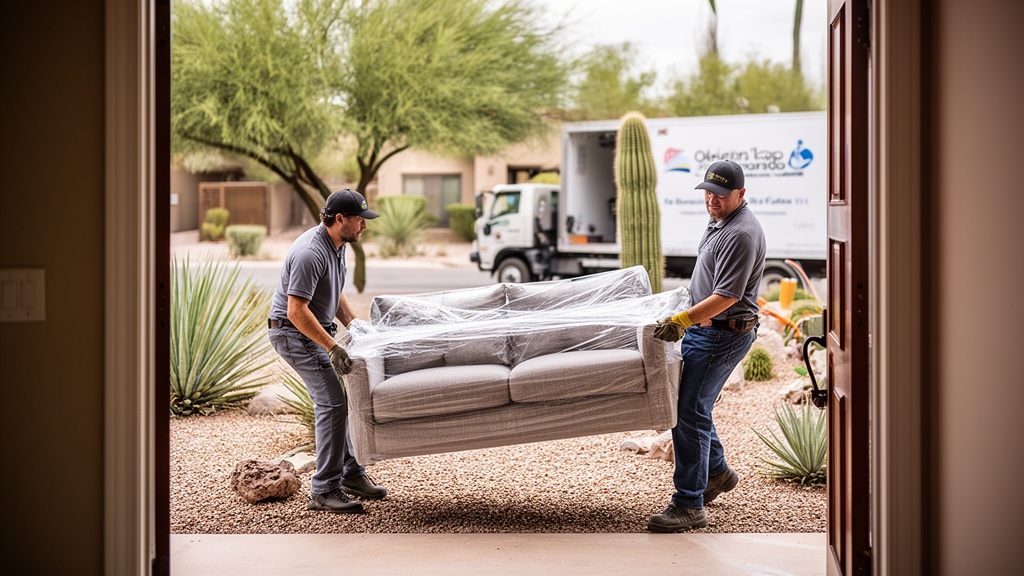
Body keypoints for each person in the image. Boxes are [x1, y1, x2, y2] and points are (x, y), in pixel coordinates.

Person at [647, 159, 766, 532]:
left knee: (688, 411)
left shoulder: (741, 234)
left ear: (741, 194)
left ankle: (689, 505)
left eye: (722, 194)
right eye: (708, 193)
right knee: (691, 406)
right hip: (707, 329)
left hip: (722, 333)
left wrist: (682, 321)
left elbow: (726, 296)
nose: (713, 200)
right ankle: (716, 473)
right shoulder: (721, 221)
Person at [267, 189, 386, 514]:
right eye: (360, 220)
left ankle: (350, 475)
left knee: (340, 401)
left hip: (311, 330)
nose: (364, 226)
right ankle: (323, 490)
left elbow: (334, 294)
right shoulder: (310, 252)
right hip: (293, 334)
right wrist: (332, 347)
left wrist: (354, 325)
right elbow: (295, 311)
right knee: (332, 403)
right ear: (339, 220)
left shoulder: (338, 244)